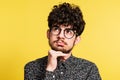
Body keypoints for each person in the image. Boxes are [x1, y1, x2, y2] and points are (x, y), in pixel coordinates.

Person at [24, 2, 101, 80]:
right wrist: (50, 69)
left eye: (68, 31)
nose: (60, 36)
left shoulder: (89, 69)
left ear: (77, 39)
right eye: (56, 29)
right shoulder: (32, 67)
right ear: (48, 34)